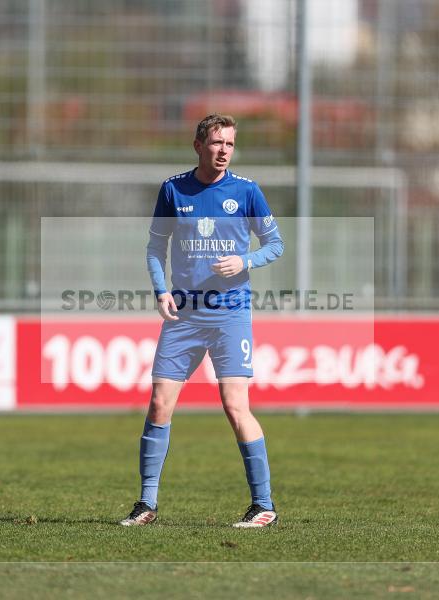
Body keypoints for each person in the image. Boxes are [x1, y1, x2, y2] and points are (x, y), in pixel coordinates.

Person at [120, 114, 284, 528]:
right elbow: (155, 248)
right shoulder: (173, 190)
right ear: (198, 145)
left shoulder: (247, 191)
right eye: (216, 143)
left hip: (230, 314)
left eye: (230, 143)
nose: (224, 150)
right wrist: (161, 290)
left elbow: (275, 244)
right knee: (159, 402)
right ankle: (146, 504)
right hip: (184, 315)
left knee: (235, 405)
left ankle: (264, 506)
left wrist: (244, 261)